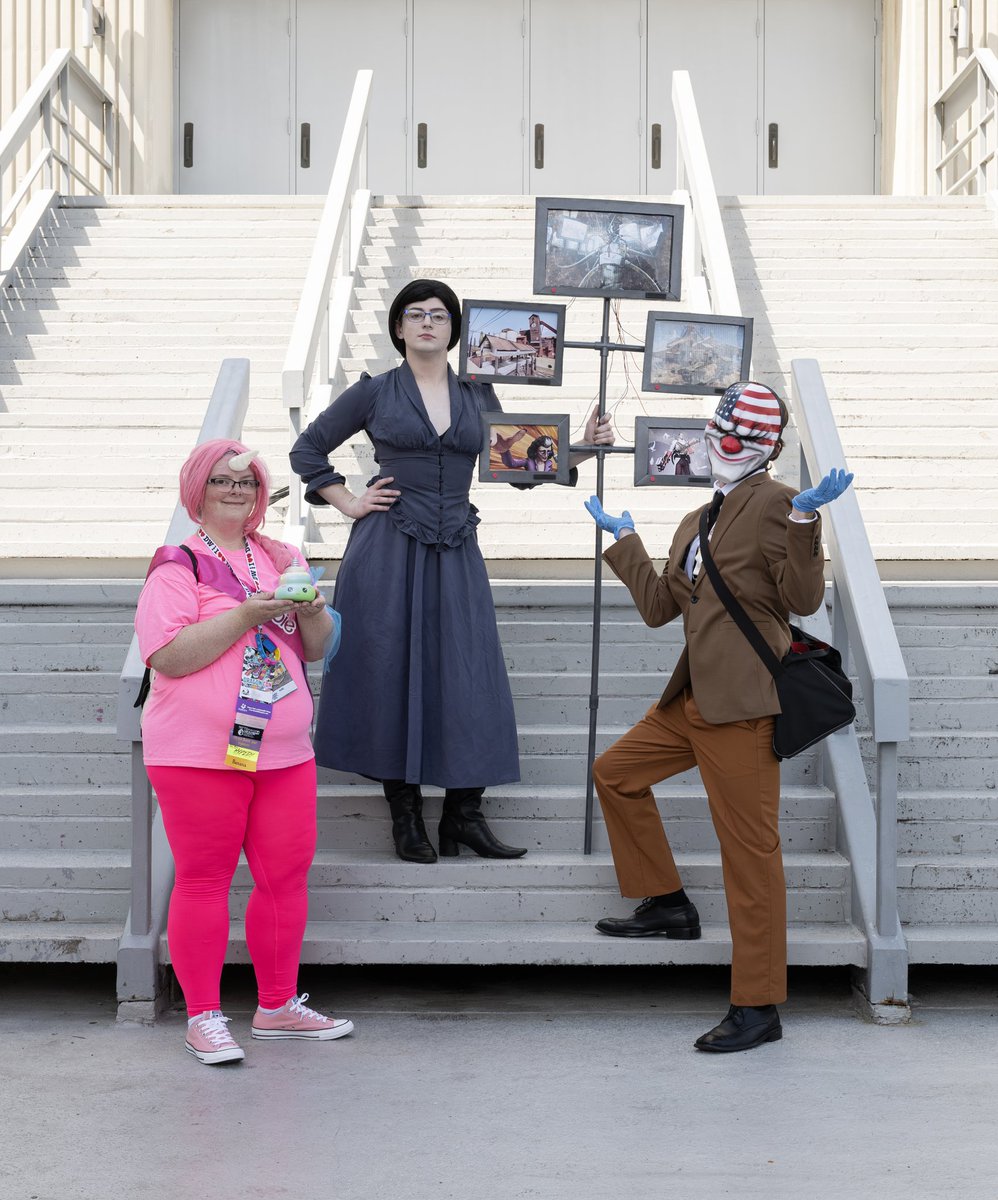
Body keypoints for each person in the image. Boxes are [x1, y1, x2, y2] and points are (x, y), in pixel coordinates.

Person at [290, 278, 614, 864]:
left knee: (468, 669)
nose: (427, 323)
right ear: (398, 329)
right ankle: (406, 817)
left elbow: (519, 462)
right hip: (387, 548)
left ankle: (465, 816)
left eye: (438, 315)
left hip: (456, 545)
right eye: (415, 315)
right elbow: (308, 449)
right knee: (390, 666)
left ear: (454, 329)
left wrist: (584, 447)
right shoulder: (375, 392)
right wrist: (347, 501)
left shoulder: (477, 393)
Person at [584, 381, 853, 1054]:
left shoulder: (777, 503)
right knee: (615, 774)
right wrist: (625, 542)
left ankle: (758, 1005)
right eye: (717, 432)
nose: (721, 446)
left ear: (766, 449)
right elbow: (658, 607)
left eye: (738, 438)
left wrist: (805, 524)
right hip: (690, 702)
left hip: (742, 708)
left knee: (750, 856)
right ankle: (667, 901)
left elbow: (800, 595)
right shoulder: (695, 519)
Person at [135, 439, 354, 1066]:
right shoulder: (176, 565)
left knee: (285, 877)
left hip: (283, 749)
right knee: (204, 880)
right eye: (223, 481)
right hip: (198, 752)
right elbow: (169, 655)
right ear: (197, 490)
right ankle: (203, 1015)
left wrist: (310, 610)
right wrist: (244, 616)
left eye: (249, 482)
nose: (237, 491)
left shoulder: (283, 555)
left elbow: (315, 648)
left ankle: (277, 1005)